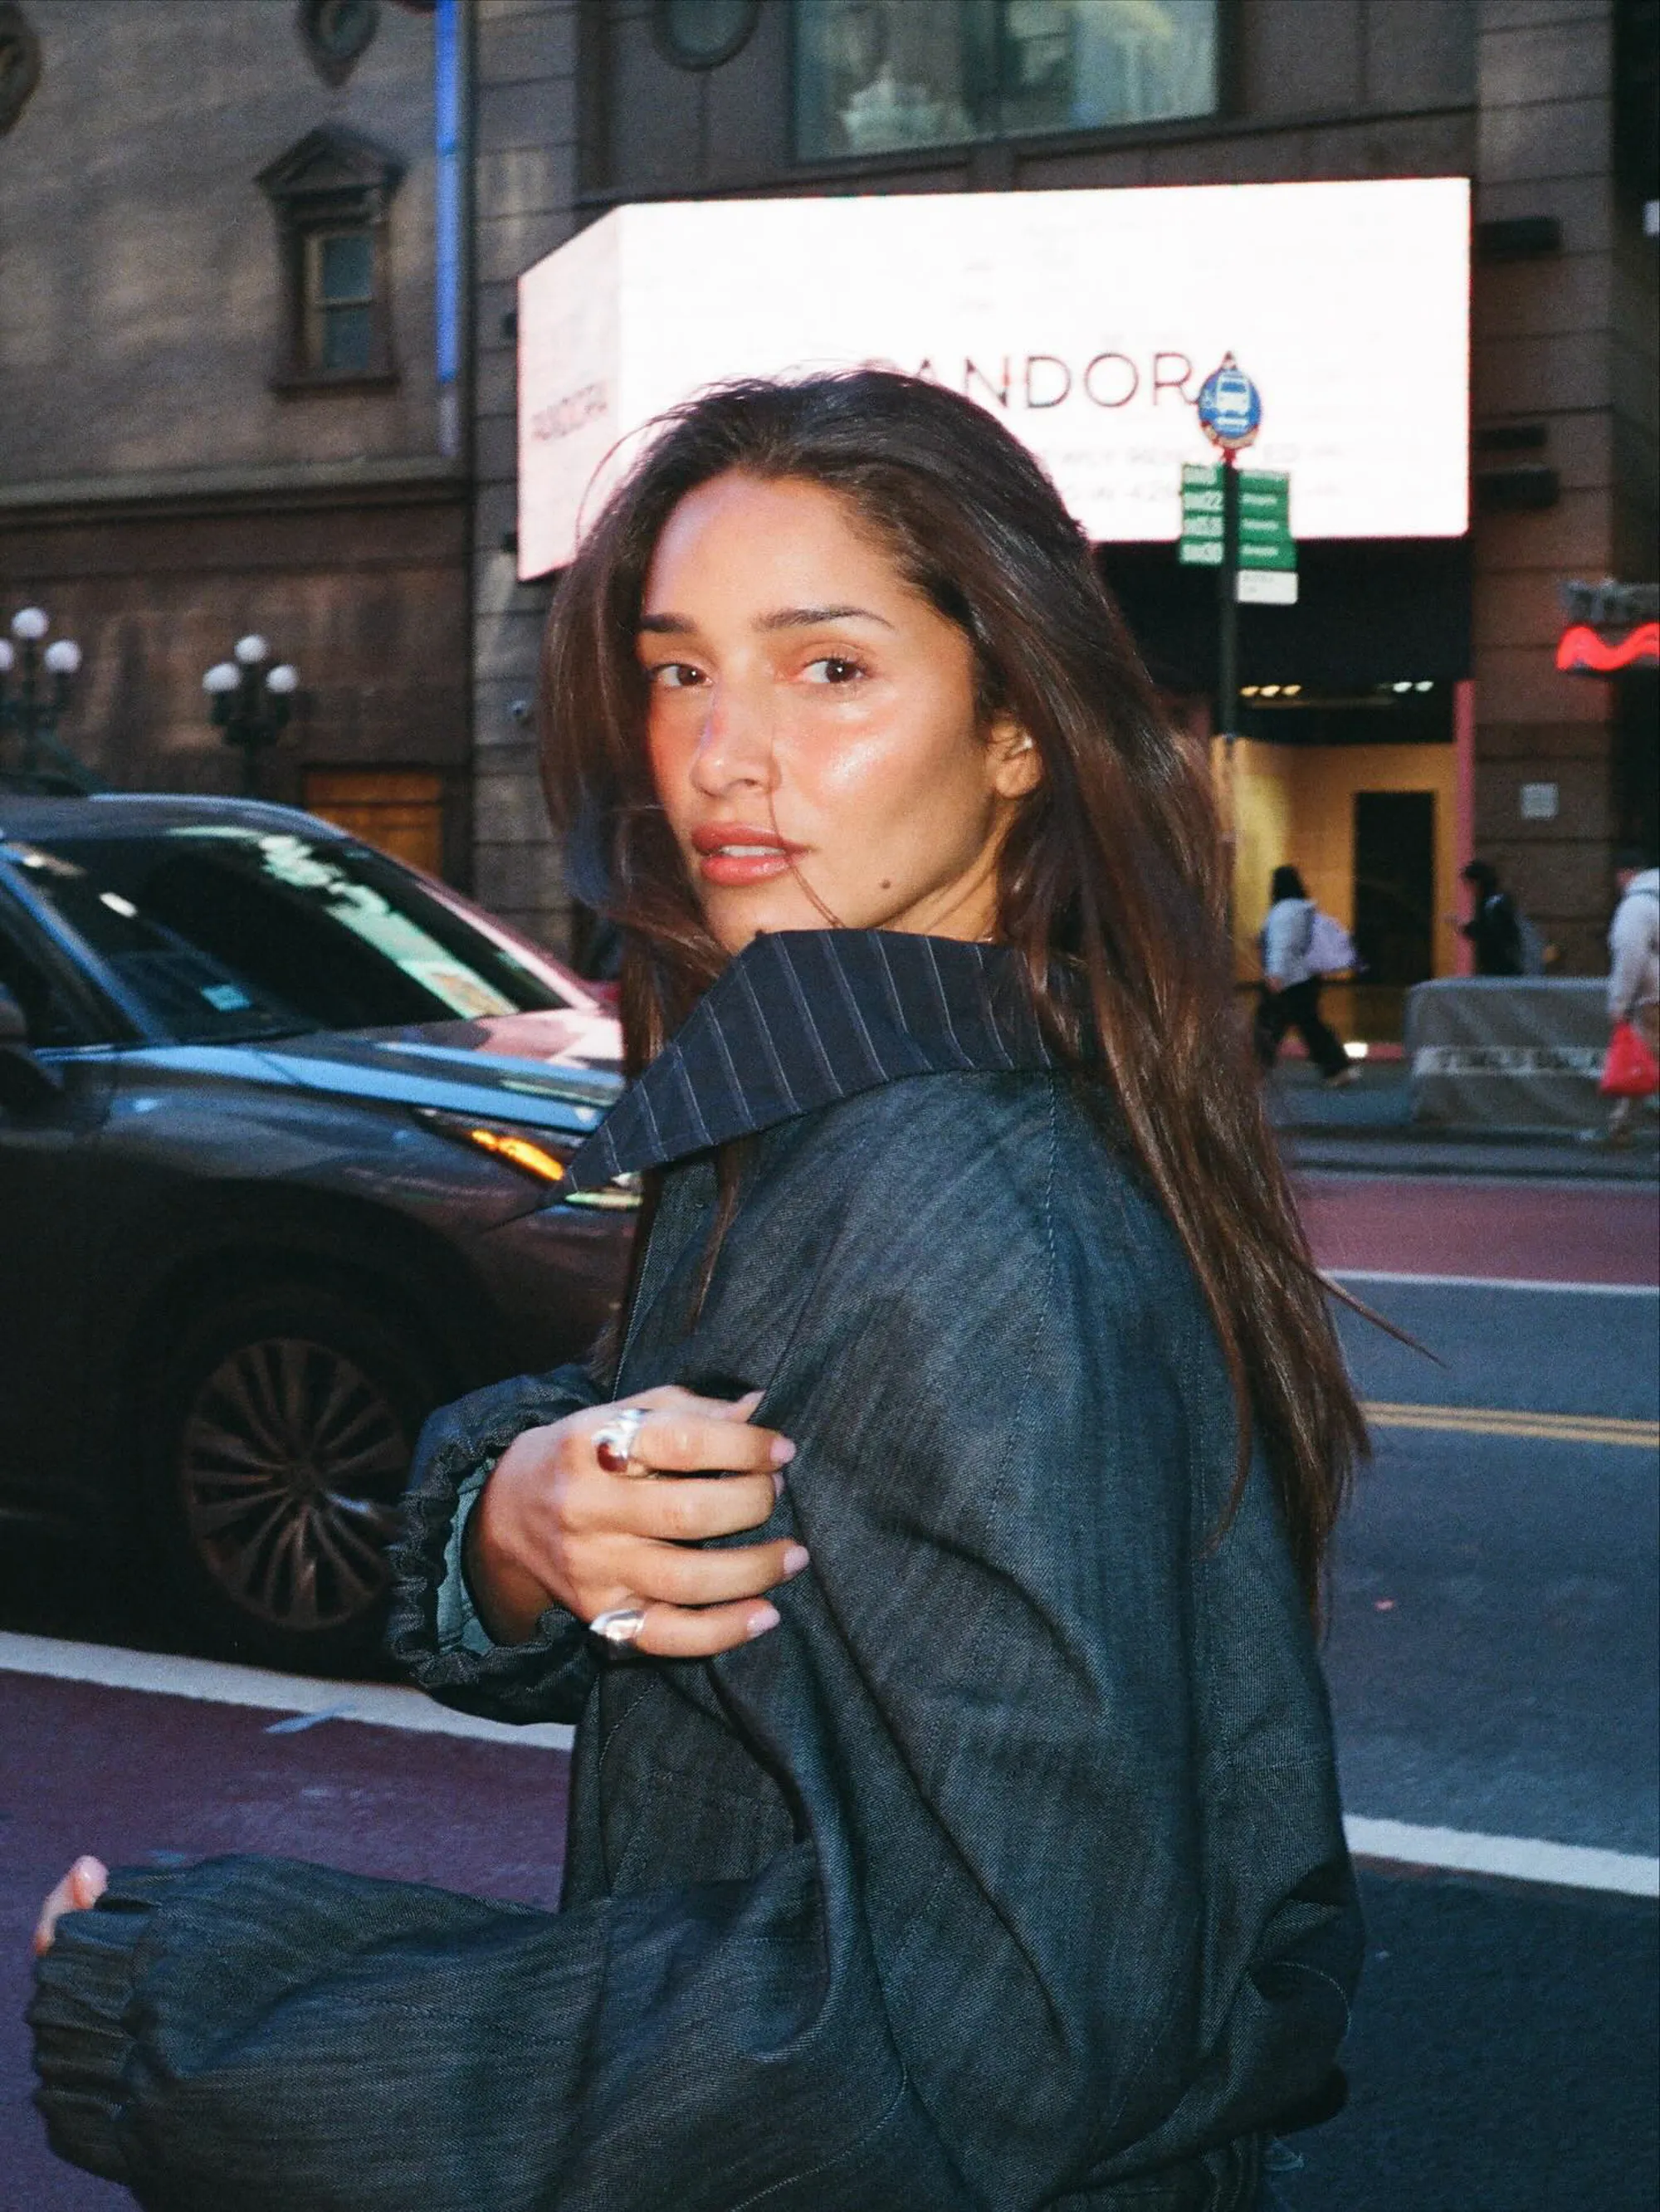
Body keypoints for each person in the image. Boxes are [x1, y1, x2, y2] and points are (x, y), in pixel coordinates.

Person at [32, 373, 1365, 2212]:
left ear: (1016, 733)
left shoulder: (950, 1204)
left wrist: (213, 2012)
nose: (723, 756)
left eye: (829, 669)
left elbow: (1001, 2029)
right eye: (679, 672)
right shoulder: (842, 1105)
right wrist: (514, 1519)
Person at [1254, 864, 1355, 1086]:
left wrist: (1275, 974)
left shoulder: (1282, 912)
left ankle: (1254, 1069)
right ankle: (1338, 1068)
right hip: (1307, 978)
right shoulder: (1305, 910)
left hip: (1286, 980)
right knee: (1310, 1025)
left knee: (1267, 1025)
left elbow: (1281, 945)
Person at [1595, 844, 1660, 1145]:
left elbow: (1629, 956)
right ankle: (1619, 1126)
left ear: (1623, 875)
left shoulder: (1636, 906)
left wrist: (1619, 1003)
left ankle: (1619, 1128)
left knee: (1640, 1059)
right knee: (1644, 1060)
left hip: (1654, 1000)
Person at [1457, 858, 1524, 976]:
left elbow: (1491, 934)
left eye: (1469, 884)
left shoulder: (1492, 904)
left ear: (1477, 882)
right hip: (1503, 967)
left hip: (1501, 968)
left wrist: (1467, 927)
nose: (1469, 889)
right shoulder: (1497, 900)